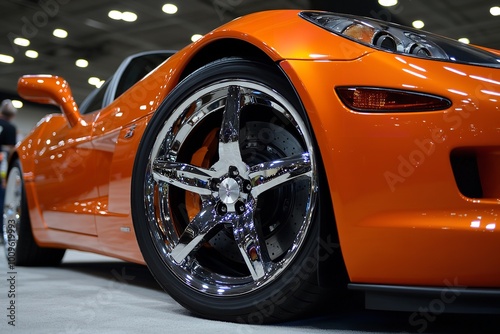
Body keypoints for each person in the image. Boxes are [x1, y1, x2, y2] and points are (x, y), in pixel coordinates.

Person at [0, 99, 18, 244]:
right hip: (2, 168)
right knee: (3, 200)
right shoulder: (10, 128)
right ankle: (3, 232)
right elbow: (11, 151)